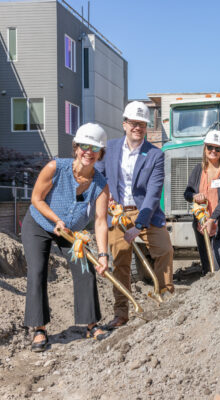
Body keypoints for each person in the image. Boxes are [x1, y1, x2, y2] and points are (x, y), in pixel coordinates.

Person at [22, 123, 110, 352]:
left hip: (70, 233)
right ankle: (39, 329)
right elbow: (36, 199)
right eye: (84, 146)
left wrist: (102, 255)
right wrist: (55, 220)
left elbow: (101, 221)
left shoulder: (100, 185)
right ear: (76, 147)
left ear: (101, 153)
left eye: (94, 148)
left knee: (85, 266)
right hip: (39, 224)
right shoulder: (55, 167)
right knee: (37, 270)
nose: (88, 152)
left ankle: (91, 324)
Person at [96, 101, 174, 329]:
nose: (137, 127)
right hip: (117, 211)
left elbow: (153, 193)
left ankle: (165, 300)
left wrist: (139, 224)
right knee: (120, 261)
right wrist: (106, 197)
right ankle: (122, 312)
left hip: (145, 212)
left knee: (164, 250)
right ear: (124, 124)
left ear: (146, 127)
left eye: (142, 124)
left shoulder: (155, 155)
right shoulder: (108, 150)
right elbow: (99, 178)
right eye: (133, 123)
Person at [184, 130, 220, 274]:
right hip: (201, 227)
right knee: (207, 267)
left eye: (217, 148)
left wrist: (213, 218)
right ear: (205, 147)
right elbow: (187, 193)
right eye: (210, 147)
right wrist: (194, 196)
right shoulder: (198, 170)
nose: (213, 151)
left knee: (217, 263)